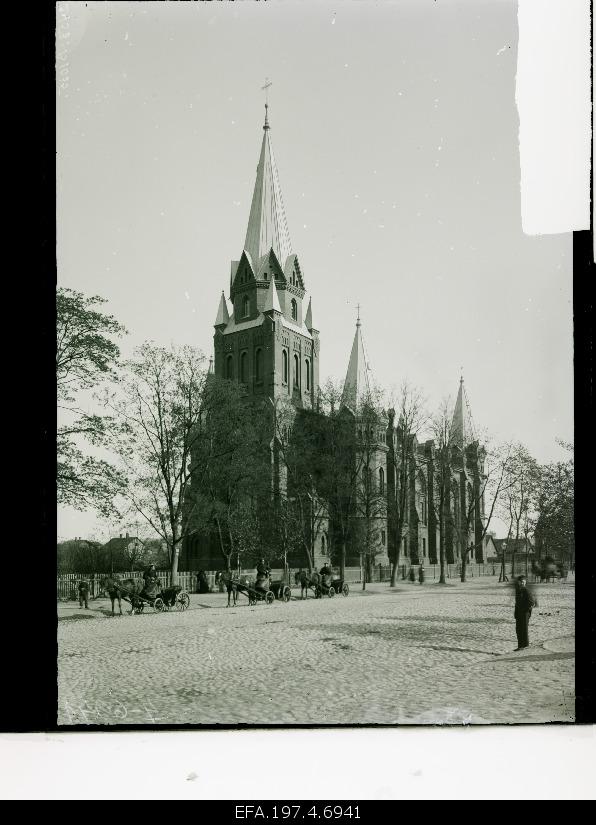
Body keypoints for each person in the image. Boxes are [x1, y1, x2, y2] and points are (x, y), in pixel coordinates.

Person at [514, 575, 537, 650]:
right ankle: (520, 646)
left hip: (525, 613)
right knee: (518, 630)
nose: (522, 583)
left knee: (524, 629)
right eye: (521, 582)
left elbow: (532, 603)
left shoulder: (527, 591)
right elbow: (516, 603)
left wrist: (525, 610)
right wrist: (516, 612)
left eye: (523, 582)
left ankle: (526, 645)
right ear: (518, 582)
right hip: (518, 613)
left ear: (525, 582)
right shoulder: (517, 590)